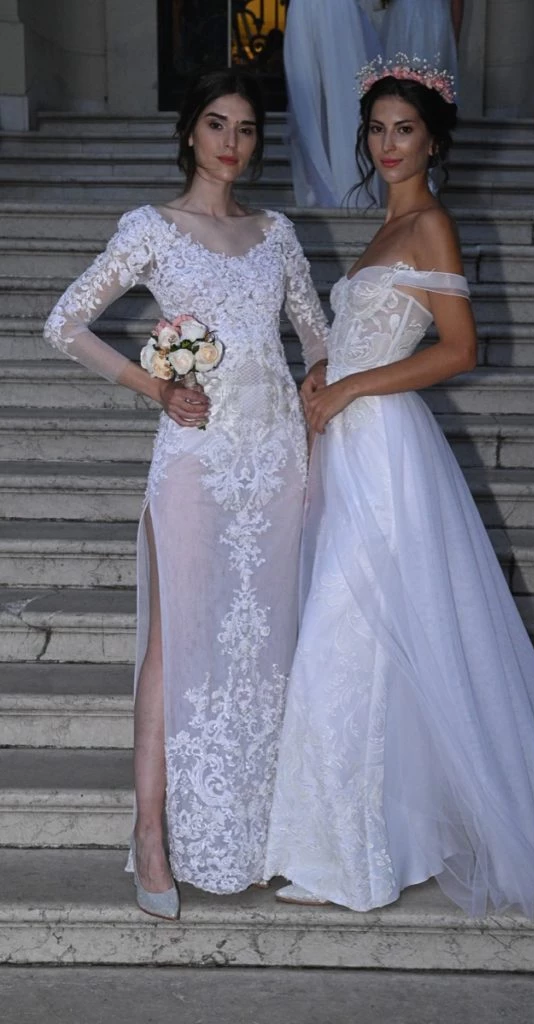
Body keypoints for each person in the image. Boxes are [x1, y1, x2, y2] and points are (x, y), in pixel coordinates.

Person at [264, 56, 534, 918]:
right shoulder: (385, 229)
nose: (388, 144)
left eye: (405, 130)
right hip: (350, 444)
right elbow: (365, 334)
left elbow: (460, 348)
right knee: (361, 638)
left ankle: (352, 862)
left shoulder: (432, 223)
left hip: (385, 450)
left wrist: (353, 387)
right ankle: (373, 839)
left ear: (434, 140)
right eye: (377, 129)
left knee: (349, 634)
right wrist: (325, 371)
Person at [44, 69, 329, 920]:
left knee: (266, 646)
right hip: (197, 460)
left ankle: (258, 831)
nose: (231, 143)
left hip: (276, 464)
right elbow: (65, 323)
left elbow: (316, 337)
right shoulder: (152, 228)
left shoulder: (277, 234)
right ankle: (150, 837)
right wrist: (156, 387)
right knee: (174, 647)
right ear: (189, 133)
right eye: (216, 124)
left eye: (246, 128)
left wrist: (322, 393)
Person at [284, 0, 382, 206]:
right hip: (303, 9)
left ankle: (355, 183)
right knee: (305, 99)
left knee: (347, 95)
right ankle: (316, 184)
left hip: (339, 9)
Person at [381, 1, 462, 99]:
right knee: (397, 79)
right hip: (403, 16)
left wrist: (455, 38)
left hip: (434, 20)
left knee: (434, 81)